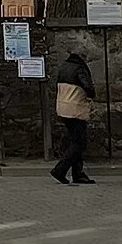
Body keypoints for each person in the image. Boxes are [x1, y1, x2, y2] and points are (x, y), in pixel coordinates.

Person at [51, 50, 96, 185]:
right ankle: (60, 170)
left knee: (75, 141)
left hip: (62, 108)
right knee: (79, 143)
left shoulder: (63, 67)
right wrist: (91, 94)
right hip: (76, 109)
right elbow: (88, 87)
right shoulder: (79, 69)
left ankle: (78, 174)